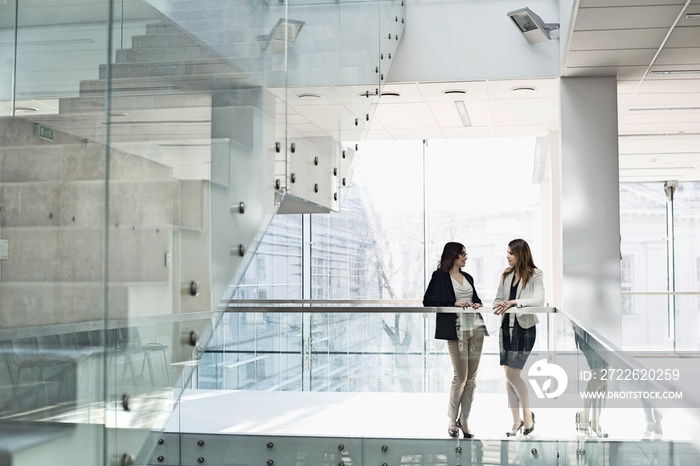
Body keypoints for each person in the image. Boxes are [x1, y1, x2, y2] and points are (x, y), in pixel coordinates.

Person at [423, 241, 488, 439]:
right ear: (454, 256)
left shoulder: (468, 276)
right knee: (460, 376)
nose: (466, 257)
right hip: (455, 330)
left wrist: (476, 304)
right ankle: (452, 419)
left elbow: (476, 299)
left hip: (475, 328)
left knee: (472, 379)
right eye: (463, 254)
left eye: (466, 254)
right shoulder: (440, 276)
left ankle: (464, 419)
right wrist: (453, 303)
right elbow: (428, 301)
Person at [492, 238, 544, 437]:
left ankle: (528, 417)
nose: (507, 256)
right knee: (508, 377)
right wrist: (502, 304)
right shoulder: (506, 275)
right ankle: (516, 421)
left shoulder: (535, 274)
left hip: (525, 328)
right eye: (507, 252)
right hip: (506, 327)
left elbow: (539, 300)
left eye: (511, 253)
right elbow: (498, 298)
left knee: (513, 375)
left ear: (520, 254)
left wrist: (514, 302)